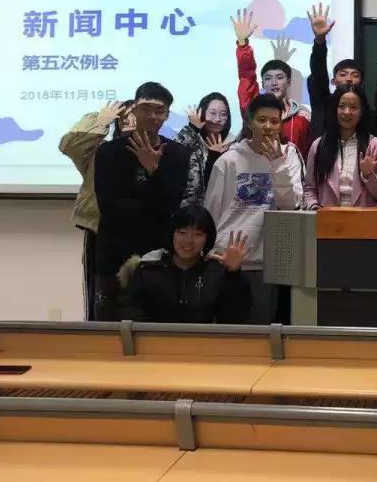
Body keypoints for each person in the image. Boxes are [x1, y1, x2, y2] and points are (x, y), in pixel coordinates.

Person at [93, 82, 192, 320]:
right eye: (146, 108)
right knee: (108, 326)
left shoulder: (177, 154)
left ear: (167, 115)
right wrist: (150, 204)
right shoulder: (109, 153)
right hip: (113, 254)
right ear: (134, 110)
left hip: (157, 256)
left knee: (157, 326)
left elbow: (169, 207)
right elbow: (109, 207)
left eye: (159, 110)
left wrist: (153, 170)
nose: (152, 116)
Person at [203, 93, 304, 324]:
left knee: (261, 332)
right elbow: (211, 211)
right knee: (227, 330)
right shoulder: (228, 160)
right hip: (226, 259)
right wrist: (210, 253)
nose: (268, 126)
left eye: (274, 121)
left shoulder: (288, 157)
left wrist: (277, 164)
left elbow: (290, 205)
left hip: (266, 262)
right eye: (262, 120)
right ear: (249, 122)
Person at [59, 100, 132, 320]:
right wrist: (101, 121)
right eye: (125, 118)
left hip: (139, 234)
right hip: (100, 233)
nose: (131, 122)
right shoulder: (100, 152)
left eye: (136, 117)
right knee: (101, 301)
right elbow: (69, 145)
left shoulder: (156, 151)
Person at [116, 207, 252, 324]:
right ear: (172, 234)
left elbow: (235, 319)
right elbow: (129, 310)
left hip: (202, 342)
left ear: (207, 239)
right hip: (154, 342)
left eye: (198, 234)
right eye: (182, 232)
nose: (189, 240)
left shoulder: (216, 272)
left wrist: (233, 274)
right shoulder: (148, 269)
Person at [232, 9, 312, 155]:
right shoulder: (253, 108)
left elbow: (307, 153)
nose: (274, 82)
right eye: (268, 78)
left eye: (279, 77)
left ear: (289, 82)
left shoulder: (303, 116)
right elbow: (246, 76)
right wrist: (243, 45)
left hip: (290, 169)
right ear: (263, 84)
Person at [304, 86, 377, 209]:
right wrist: (314, 207)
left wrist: (368, 175)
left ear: (362, 111)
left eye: (353, 107)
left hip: (363, 217)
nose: (347, 112)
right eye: (341, 106)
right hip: (328, 216)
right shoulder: (318, 145)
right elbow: (310, 189)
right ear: (335, 109)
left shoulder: (374, 144)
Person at [305, 3, 363, 141]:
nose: (349, 79)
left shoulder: (365, 108)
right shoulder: (322, 101)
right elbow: (319, 74)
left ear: (361, 81)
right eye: (343, 74)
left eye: (355, 75)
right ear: (333, 81)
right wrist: (320, 41)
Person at [173, 92, 233, 197]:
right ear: (202, 113)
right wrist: (192, 128)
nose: (218, 119)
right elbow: (172, 154)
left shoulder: (233, 146)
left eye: (223, 114)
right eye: (213, 113)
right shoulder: (191, 140)